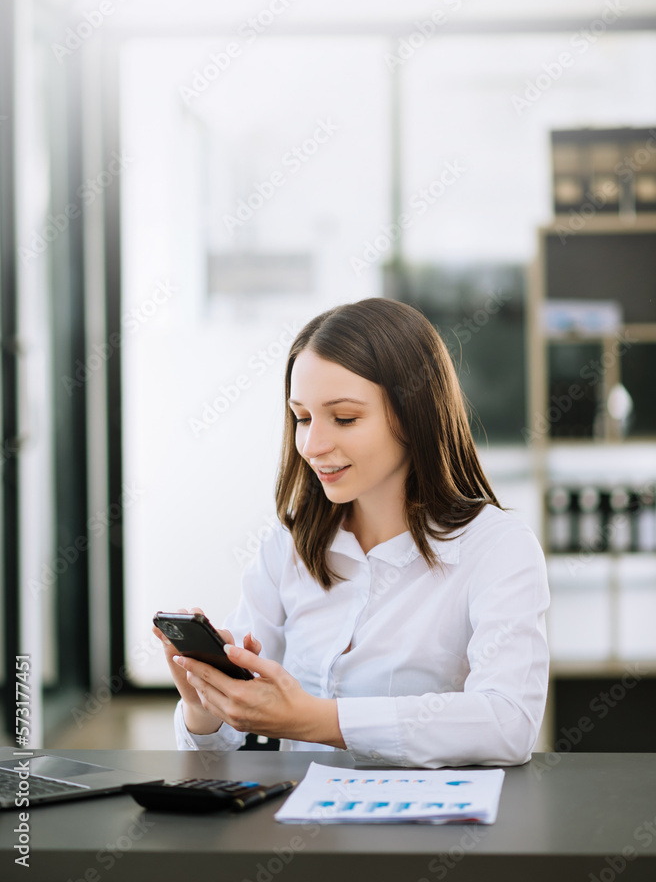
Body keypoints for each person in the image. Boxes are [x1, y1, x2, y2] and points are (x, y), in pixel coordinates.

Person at [155, 297, 550, 768]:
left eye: (344, 418)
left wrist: (316, 721)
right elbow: (214, 758)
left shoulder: (498, 548)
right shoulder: (289, 545)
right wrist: (207, 708)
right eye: (302, 418)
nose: (313, 444)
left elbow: (508, 723)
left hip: (429, 830)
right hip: (300, 830)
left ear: (413, 413)